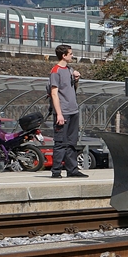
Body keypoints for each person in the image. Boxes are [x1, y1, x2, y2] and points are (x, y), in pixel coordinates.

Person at [48, 44, 88, 178]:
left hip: (73, 110)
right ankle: (56, 171)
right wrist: (59, 114)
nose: (72, 56)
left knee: (72, 142)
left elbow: (72, 89)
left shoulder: (69, 69)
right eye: (70, 54)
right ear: (63, 56)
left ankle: (72, 170)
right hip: (63, 112)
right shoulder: (55, 71)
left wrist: (76, 79)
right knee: (60, 142)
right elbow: (54, 93)